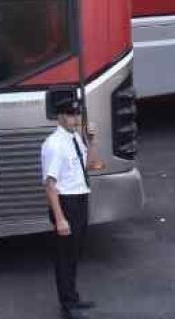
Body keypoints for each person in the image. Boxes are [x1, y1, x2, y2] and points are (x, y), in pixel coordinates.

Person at [41, 94, 100, 319]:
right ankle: (67, 305)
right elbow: (50, 185)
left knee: (74, 253)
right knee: (65, 256)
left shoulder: (75, 138)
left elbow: (90, 166)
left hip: (80, 198)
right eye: (70, 115)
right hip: (66, 203)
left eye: (77, 114)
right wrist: (60, 218)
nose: (75, 119)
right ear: (60, 117)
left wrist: (92, 141)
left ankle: (73, 297)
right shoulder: (55, 145)